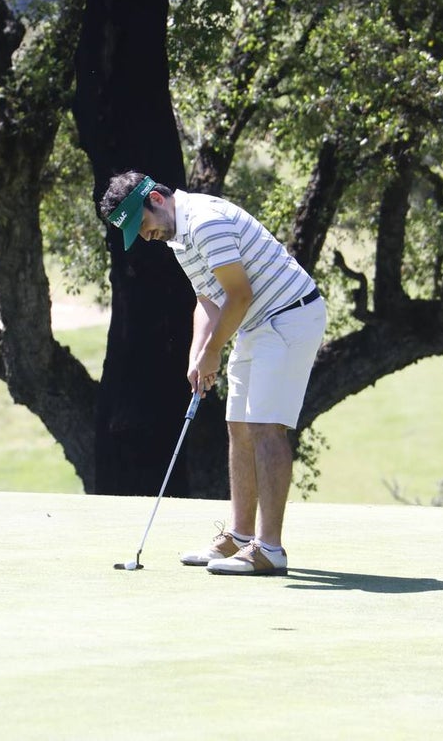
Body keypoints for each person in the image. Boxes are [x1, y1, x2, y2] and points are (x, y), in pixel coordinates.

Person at [100, 172, 327, 576]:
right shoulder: (177, 237)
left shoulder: (205, 222)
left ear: (156, 198)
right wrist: (197, 355)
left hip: (289, 315)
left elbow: (239, 295)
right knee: (238, 426)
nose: (146, 235)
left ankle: (270, 549)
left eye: (143, 224)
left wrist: (214, 350)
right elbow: (208, 298)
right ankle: (240, 538)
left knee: (266, 428)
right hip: (255, 323)